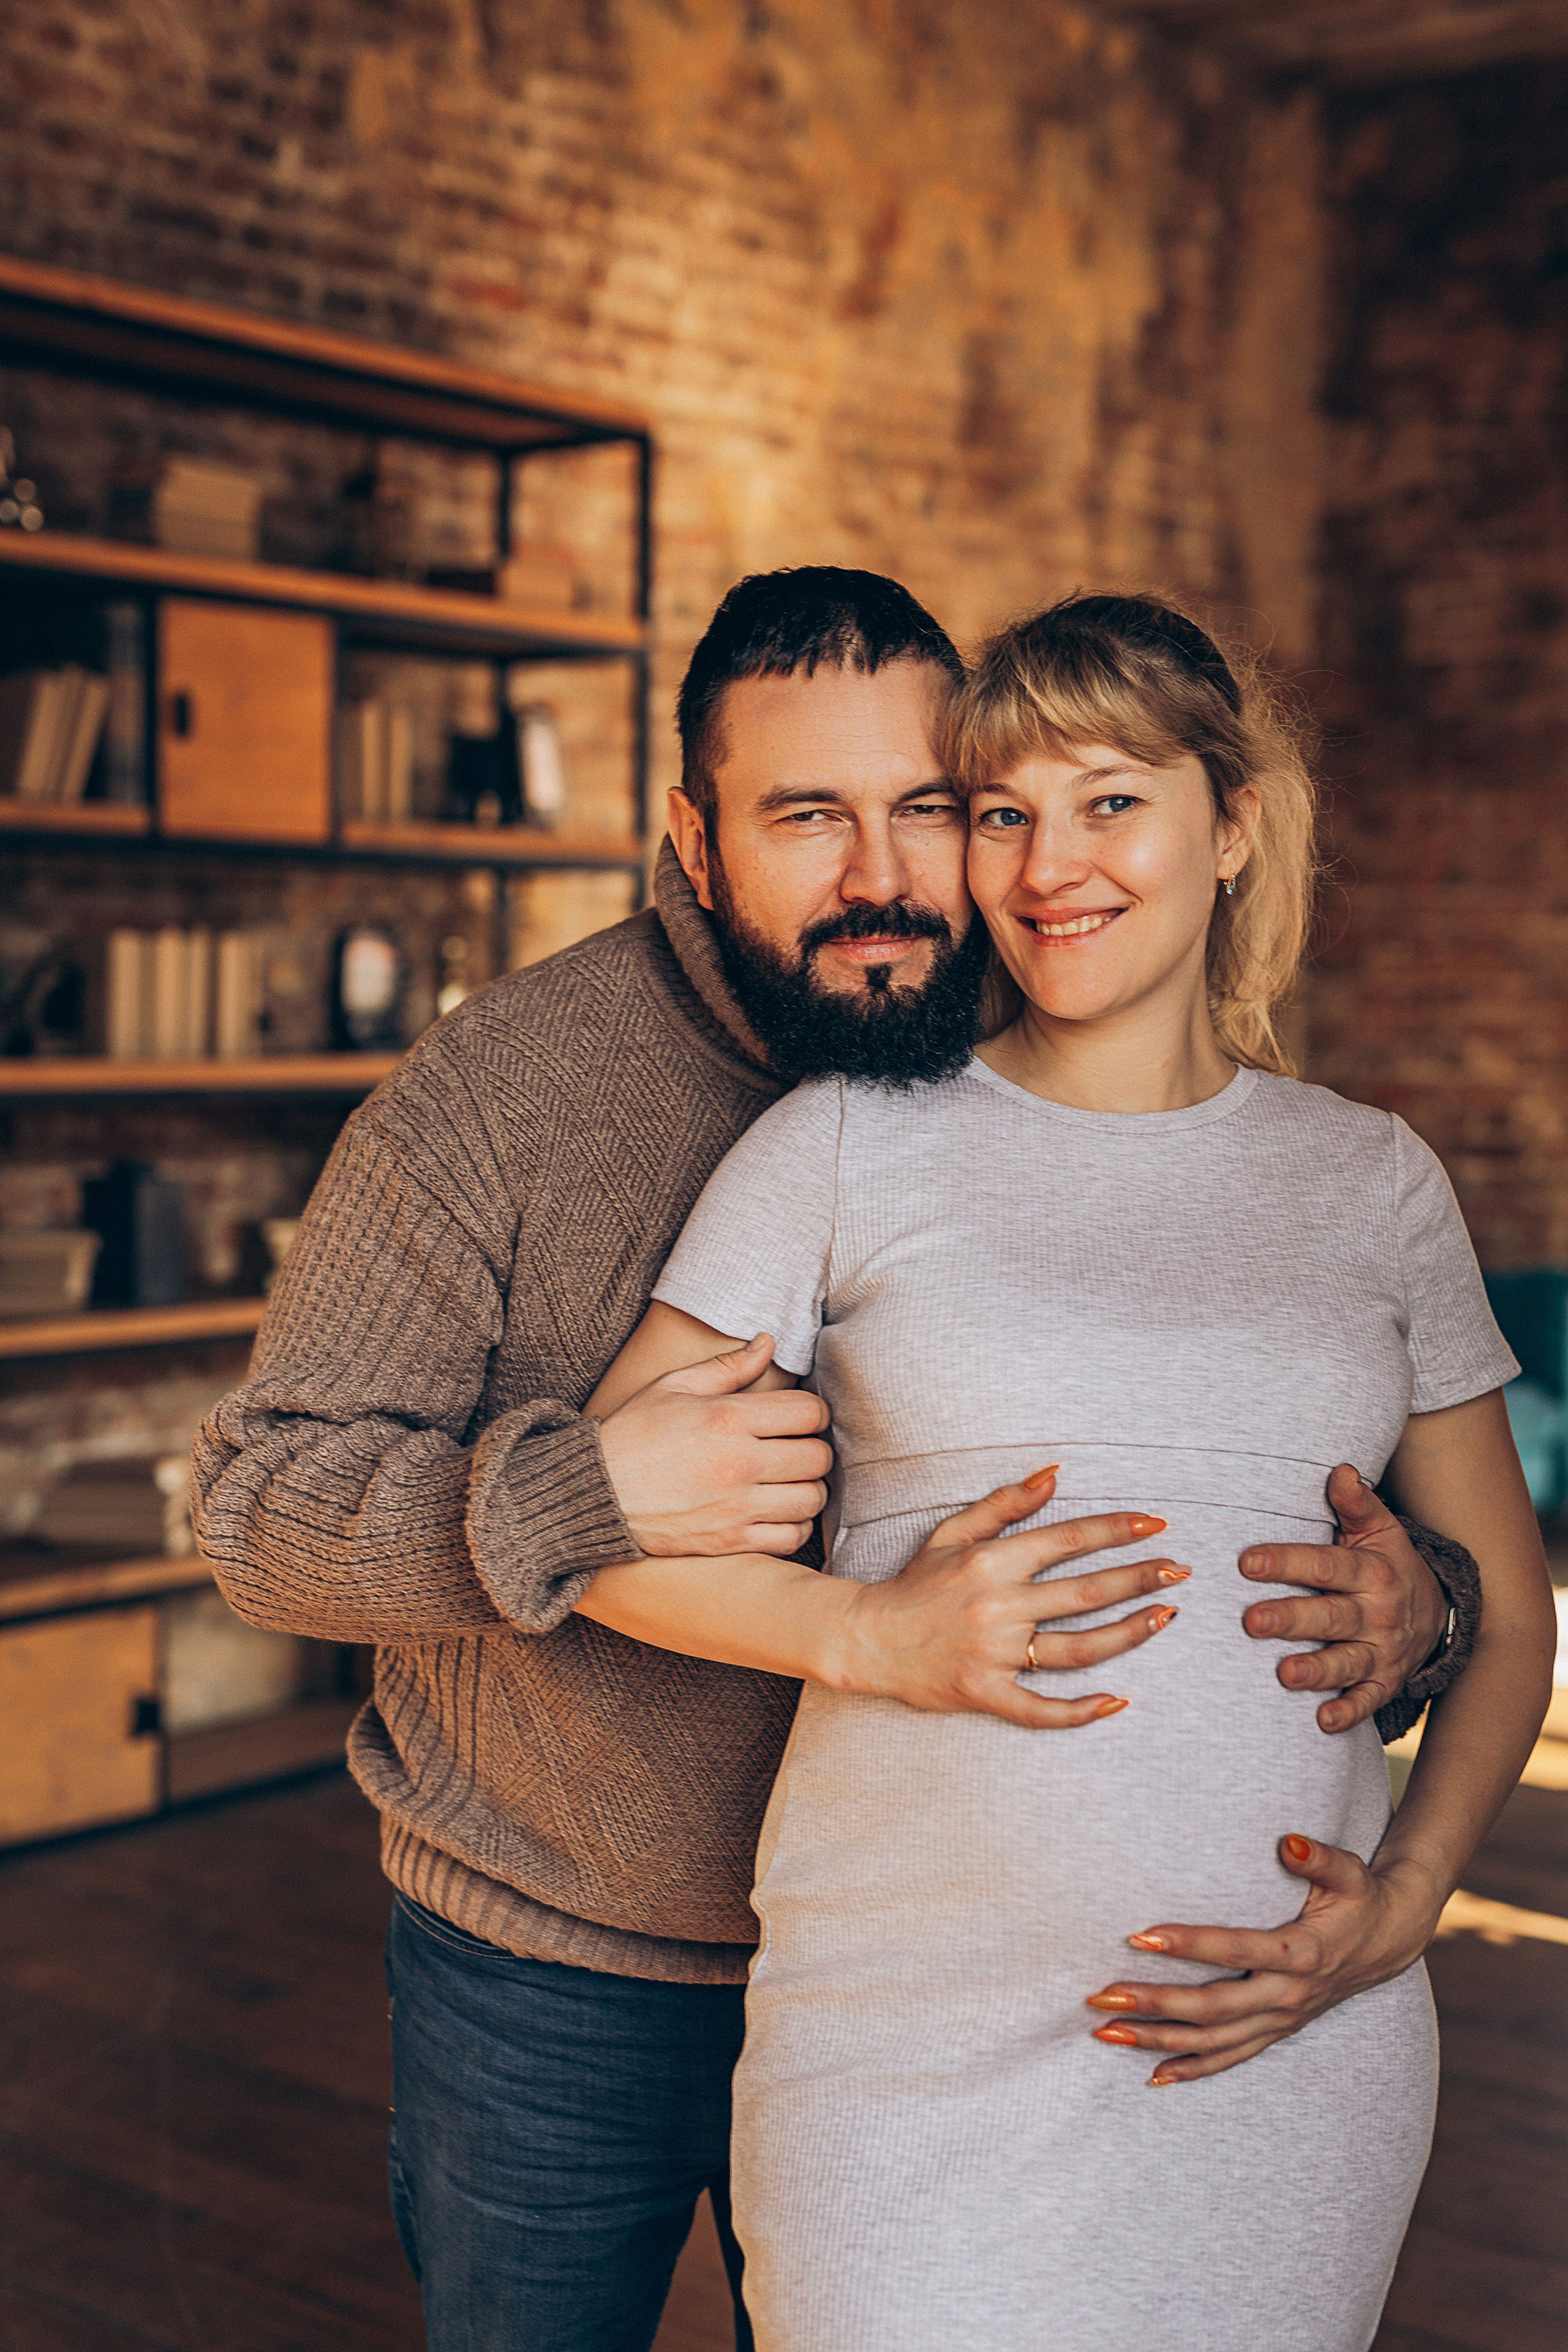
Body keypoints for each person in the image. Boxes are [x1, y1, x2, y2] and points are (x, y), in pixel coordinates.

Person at [194, 571, 1483, 2352]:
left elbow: (1251, 1425)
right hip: (575, 1959)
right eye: (808, 818)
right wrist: (587, 1502)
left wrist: (1431, 1605)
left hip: (1006, 1967)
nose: (887, 875)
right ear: (697, 839)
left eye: (932, 810)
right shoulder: (503, 1092)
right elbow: (261, 1519)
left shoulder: (1051, 1013)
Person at [583, 592, 1556, 2352]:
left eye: (1110, 800)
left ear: (1233, 821)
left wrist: (1404, 1910)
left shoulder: (1373, 1179)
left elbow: (1509, 1595)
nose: (1051, 867)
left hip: (1286, 2037)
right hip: (906, 2038)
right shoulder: (841, 1149)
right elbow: (603, 1535)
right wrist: (876, 1639)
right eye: (1004, 812)